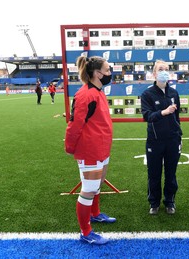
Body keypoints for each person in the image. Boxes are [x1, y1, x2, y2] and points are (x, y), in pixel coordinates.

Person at [64, 55, 115, 245]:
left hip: (101, 148)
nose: (110, 73)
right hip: (90, 150)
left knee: (97, 185)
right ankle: (86, 232)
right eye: (108, 70)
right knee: (88, 190)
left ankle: (95, 214)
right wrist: (70, 147)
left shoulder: (98, 91)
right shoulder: (85, 95)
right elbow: (75, 124)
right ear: (97, 73)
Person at [140, 60, 182, 215]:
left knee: (171, 173)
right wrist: (163, 112)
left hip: (172, 140)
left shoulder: (174, 93)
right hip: (155, 141)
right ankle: (154, 203)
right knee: (154, 174)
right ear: (154, 74)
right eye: (161, 69)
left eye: (166, 69)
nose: (164, 71)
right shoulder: (147, 94)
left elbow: (177, 118)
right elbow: (147, 115)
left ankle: (170, 201)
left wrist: (179, 135)